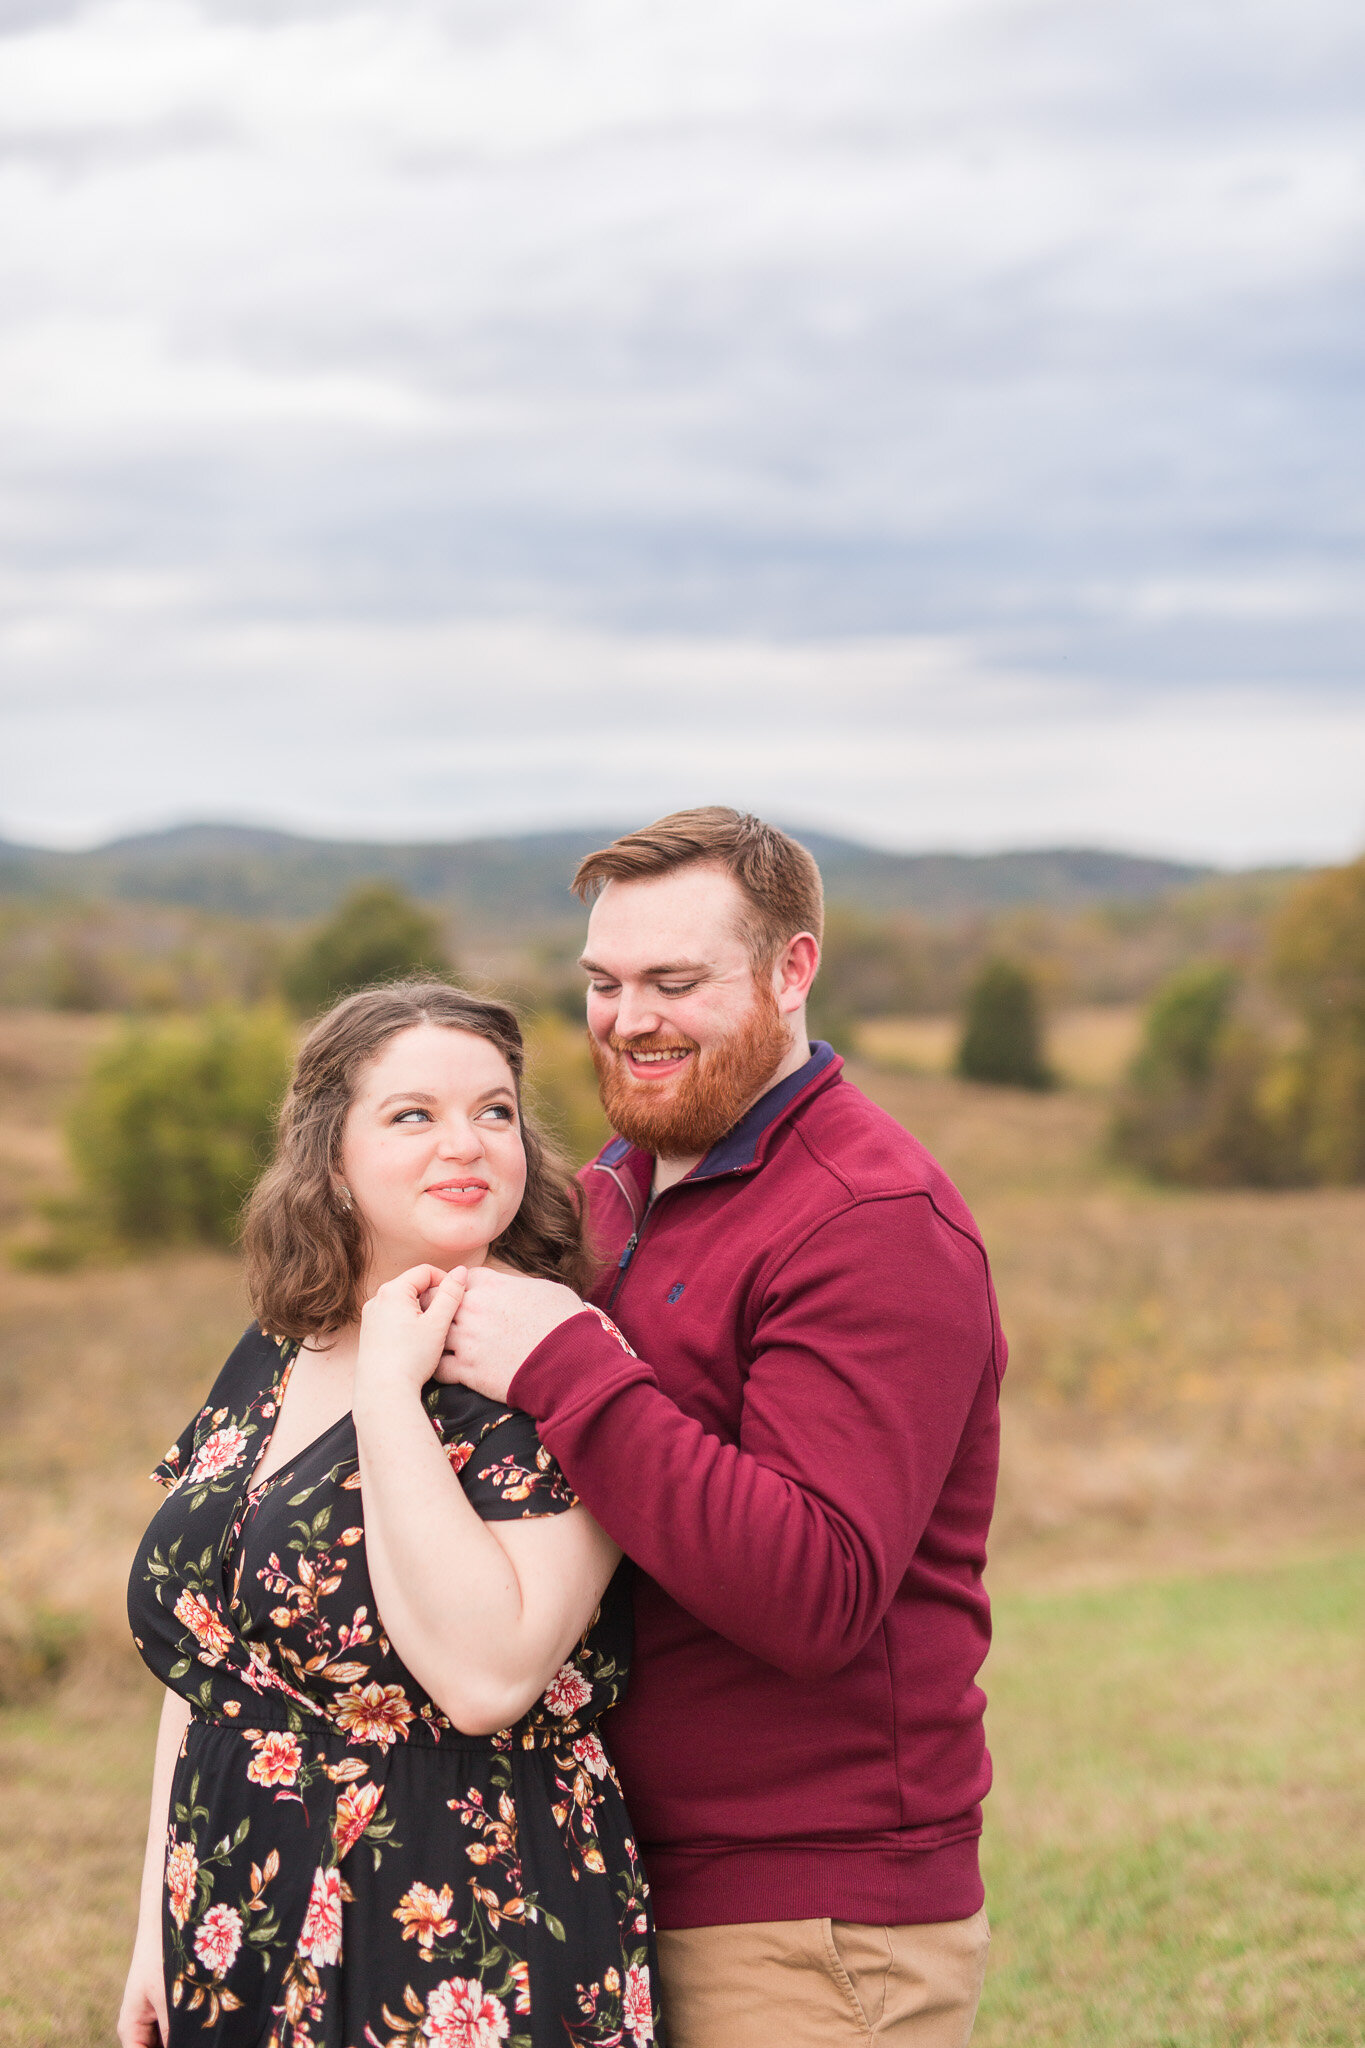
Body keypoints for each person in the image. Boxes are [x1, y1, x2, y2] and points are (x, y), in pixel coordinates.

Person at [439, 809, 1006, 2048]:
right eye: (604, 981)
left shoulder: (871, 1218)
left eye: (675, 981)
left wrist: (569, 1365)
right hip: (603, 1875)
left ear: (792, 970)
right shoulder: (621, 1185)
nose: (630, 1016)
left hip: (809, 1916)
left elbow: (816, 1589)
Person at [119, 982, 663, 2048]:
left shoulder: (560, 1365)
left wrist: (390, 1393)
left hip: (453, 1910)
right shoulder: (278, 1346)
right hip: (235, 1899)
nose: (465, 1142)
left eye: (494, 1110)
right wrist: (157, 1926)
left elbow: (487, 1678)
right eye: (413, 1113)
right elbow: (209, 1665)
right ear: (330, 1155)